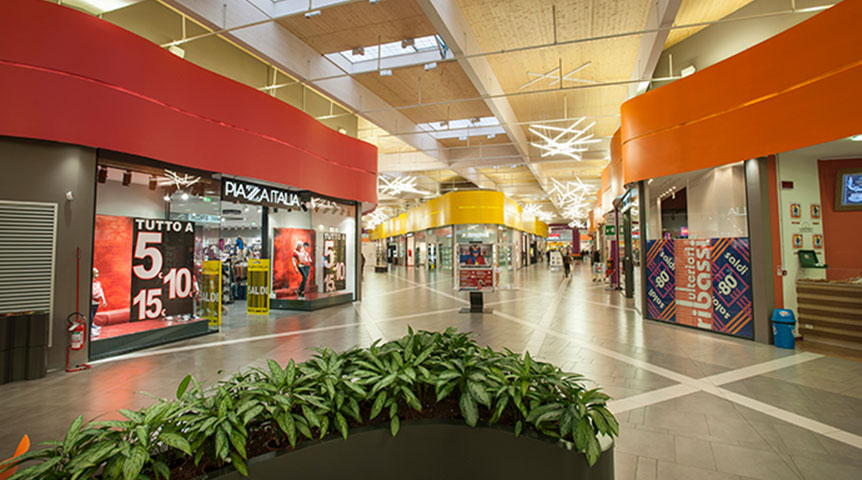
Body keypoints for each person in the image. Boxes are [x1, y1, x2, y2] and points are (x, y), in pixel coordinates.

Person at [91, 268, 106, 338]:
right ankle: (91, 328)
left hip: (96, 302)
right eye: (96, 273)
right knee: (91, 316)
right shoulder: (90, 284)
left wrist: (104, 300)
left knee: (93, 315)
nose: (97, 275)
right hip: (92, 302)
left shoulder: (97, 283)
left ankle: (92, 328)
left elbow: (100, 292)